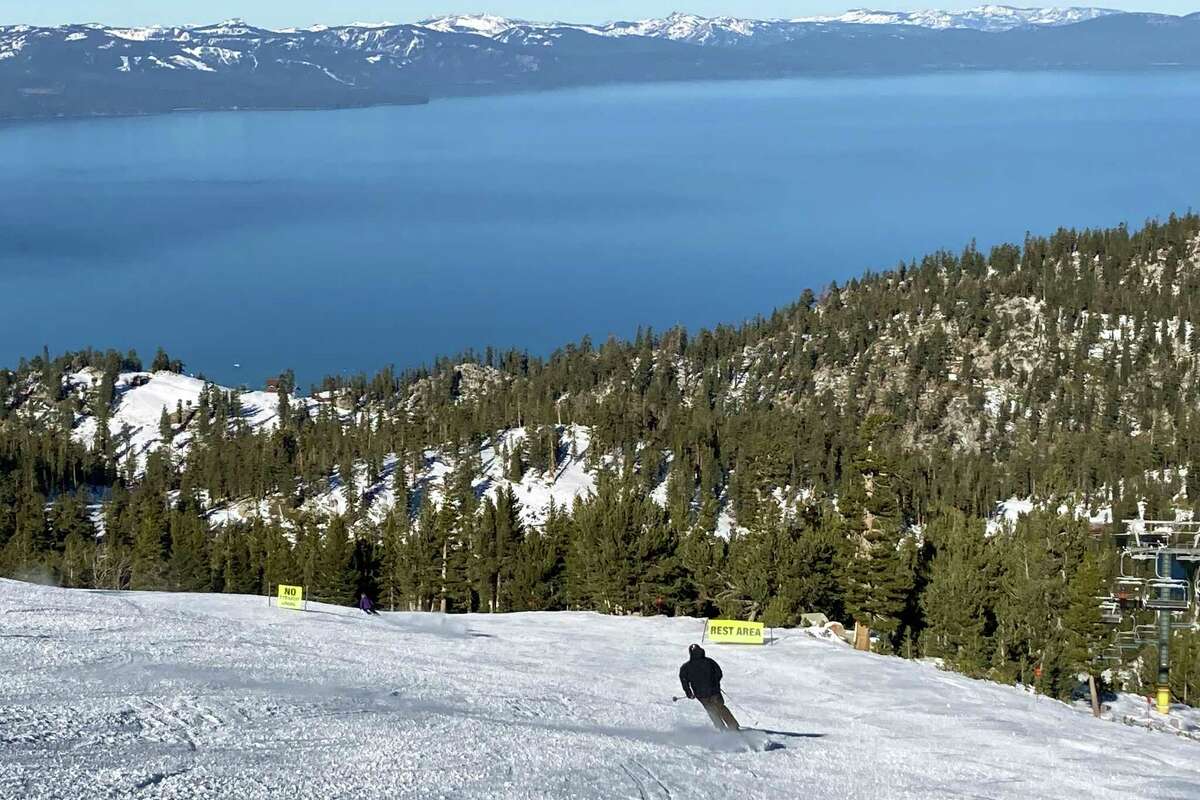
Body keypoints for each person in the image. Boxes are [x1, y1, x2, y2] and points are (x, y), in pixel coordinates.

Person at [679, 643, 740, 732]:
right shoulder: (709, 662)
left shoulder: (686, 667)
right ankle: (733, 726)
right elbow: (719, 673)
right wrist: (716, 682)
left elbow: (684, 681)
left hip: (701, 694)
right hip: (714, 691)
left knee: (711, 710)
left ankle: (721, 728)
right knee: (721, 707)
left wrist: (689, 693)